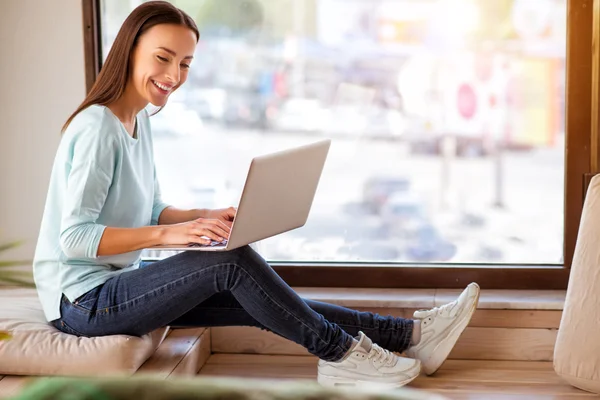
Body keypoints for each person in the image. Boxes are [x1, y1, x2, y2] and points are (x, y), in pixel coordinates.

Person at [33, 1, 480, 389]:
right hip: (83, 303)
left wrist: (205, 217)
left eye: (185, 63)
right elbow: (74, 238)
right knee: (230, 262)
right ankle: (341, 356)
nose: (174, 75)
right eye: (164, 58)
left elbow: (151, 208)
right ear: (129, 51)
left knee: (250, 289)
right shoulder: (97, 128)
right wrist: (170, 237)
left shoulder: (139, 121)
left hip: (113, 286)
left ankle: (410, 336)